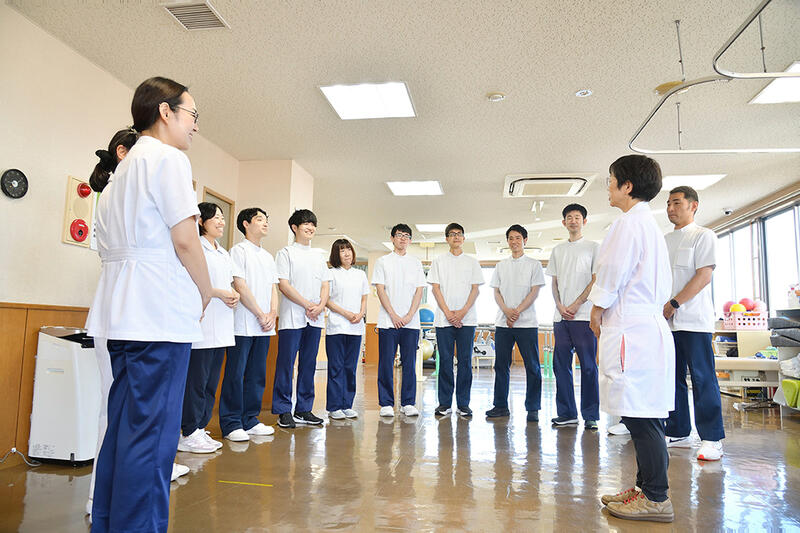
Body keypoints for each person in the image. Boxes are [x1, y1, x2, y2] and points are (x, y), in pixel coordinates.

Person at [86, 76, 213, 533]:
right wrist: (204, 290)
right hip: (157, 315)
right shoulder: (167, 158)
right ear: (165, 111)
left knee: (123, 429)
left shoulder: (119, 174)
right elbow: (186, 240)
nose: (195, 125)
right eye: (192, 115)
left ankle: (109, 522)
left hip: (119, 314)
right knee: (153, 437)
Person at [590, 154, 675, 523]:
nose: (608, 186)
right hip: (642, 327)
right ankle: (644, 488)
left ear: (627, 186)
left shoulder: (628, 224)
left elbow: (612, 272)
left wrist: (596, 309)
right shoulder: (645, 224)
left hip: (632, 330)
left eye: (611, 180)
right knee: (640, 413)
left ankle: (656, 498)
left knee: (643, 417)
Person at [663, 185, 725, 461]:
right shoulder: (664, 240)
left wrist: (674, 303)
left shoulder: (703, 235)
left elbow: (704, 276)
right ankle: (678, 431)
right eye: (668, 204)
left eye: (676, 203)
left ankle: (712, 438)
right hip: (667, 323)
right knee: (672, 378)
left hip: (694, 321)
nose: (670, 208)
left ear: (693, 205)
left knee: (702, 378)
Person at [178, 202, 240, 453]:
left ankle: (200, 427)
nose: (221, 222)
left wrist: (233, 293)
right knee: (196, 381)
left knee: (211, 382)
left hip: (222, 324)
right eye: (216, 217)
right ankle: (188, 431)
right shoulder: (196, 248)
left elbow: (227, 282)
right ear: (201, 221)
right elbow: (193, 281)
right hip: (202, 323)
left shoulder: (223, 253)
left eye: (223, 217)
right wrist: (219, 293)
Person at [221, 208, 278, 442]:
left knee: (257, 373)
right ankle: (232, 422)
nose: (265, 223)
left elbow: (273, 288)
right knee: (236, 374)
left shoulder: (268, 256)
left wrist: (272, 313)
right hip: (243, 323)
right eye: (259, 219)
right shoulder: (238, 251)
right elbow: (240, 285)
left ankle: (250, 419)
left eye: (266, 219)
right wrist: (259, 313)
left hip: (264, 325)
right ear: (246, 224)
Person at [273, 209, 331, 427]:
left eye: (313, 224)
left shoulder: (318, 256)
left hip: (315, 318)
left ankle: (304, 409)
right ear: (294, 227)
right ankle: (283, 410)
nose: (310, 227)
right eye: (306, 223)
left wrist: (321, 306)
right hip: (292, 317)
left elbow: (325, 284)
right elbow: (284, 284)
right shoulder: (285, 253)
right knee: (286, 364)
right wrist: (307, 304)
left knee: (309, 364)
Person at [547, 204, 600, 430]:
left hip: (584, 317)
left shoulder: (594, 247)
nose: (573, 221)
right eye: (569, 217)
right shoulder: (558, 250)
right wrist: (559, 306)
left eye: (577, 217)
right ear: (564, 222)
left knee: (588, 366)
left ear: (584, 221)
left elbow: (595, 280)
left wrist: (577, 304)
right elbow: (554, 282)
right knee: (561, 367)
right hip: (561, 318)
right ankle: (567, 413)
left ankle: (591, 415)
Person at [485, 224, 546, 422]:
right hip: (503, 324)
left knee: (532, 366)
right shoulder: (501, 265)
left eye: (518, 238)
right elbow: (496, 292)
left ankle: (533, 408)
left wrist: (517, 311)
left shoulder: (534, 264)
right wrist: (506, 311)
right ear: (507, 241)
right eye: (511, 238)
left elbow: (535, 292)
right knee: (501, 365)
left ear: (525, 240)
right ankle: (500, 405)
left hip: (527, 323)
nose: (514, 241)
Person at [428, 223, 483, 417]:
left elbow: (475, 289)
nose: (456, 237)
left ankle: (463, 404)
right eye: (452, 234)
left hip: (467, 320)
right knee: (445, 361)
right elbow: (435, 289)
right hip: (444, 320)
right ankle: (444, 403)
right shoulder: (438, 261)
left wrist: (462, 312)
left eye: (459, 234)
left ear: (464, 238)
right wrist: (449, 313)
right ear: (447, 239)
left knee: (465, 361)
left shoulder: (472, 262)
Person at [372, 223, 427, 417]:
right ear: (392, 238)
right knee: (386, 363)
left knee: (409, 363)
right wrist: (393, 315)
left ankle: (408, 403)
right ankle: (386, 403)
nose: (403, 238)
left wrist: (410, 315)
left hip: (411, 323)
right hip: (388, 322)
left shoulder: (416, 263)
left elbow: (419, 291)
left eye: (406, 236)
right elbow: (380, 290)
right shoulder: (382, 262)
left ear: (410, 240)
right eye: (399, 235)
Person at [325, 239, 369, 420]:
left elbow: (364, 298)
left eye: (349, 249)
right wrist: (346, 313)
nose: (347, 253)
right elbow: (326, 300)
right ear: (336, 254)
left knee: (350, 368)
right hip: (336, 327)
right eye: (342, 250)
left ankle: (346, 404)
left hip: (355, 327)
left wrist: (360, 314)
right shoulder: (330, 273)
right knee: (336, 367)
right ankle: (334, 406)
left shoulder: (360, 275)